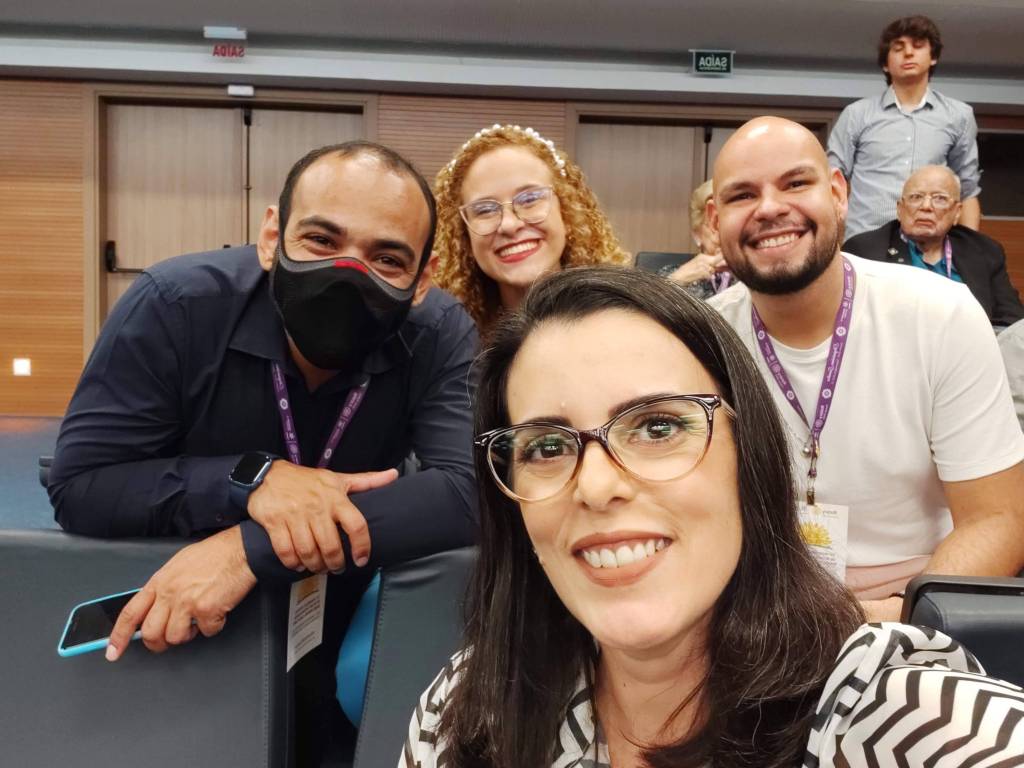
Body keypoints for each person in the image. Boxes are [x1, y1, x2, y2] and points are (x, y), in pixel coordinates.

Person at [401, 266, 1024, 768]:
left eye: (657, 427)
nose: (595, 486)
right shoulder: (462, 708)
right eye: (546, 447)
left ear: (748, 457)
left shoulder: (899, 712)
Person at [48, 141, 478, 762]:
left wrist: (250, 547)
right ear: (272, 237)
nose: (348, 273)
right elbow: (82, 483)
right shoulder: (176, 305)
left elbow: (468, 492)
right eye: (321, 240)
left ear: (422, 280)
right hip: (185, 615)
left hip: (334, 609)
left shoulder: (439, 332)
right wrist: (251, 479)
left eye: (387, 258)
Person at [707, 116, 1024, 622]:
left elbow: (997, 519)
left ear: (838, 193)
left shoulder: (941, 315)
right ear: (714, 217)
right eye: (742, 195)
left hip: (915, 603)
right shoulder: (700, 340)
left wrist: (886, 617)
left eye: (796, 183)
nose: (769, 208)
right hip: (758, 607)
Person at [432, 124, 629, 335]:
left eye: (529, 199)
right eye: (485, 210)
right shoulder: (447, 340)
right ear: (463, 235)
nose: (509, 225)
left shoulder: (625, 325)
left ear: (567, 210)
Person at [827, 15, 982, 239]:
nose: (908, 53)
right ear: (885, 64)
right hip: (864, 241)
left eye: (918, 46)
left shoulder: (959, 116)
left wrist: (968, 251)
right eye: (898, 48)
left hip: (931, 244)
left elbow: (967, 190)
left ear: (933, 57)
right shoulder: (857, 114)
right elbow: (830, 184)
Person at [844, 165, 1024, 328]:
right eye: (916, 197)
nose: (926, 206)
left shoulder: (985, 251)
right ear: (900, 209)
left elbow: (1012, 321)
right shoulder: (864, 251)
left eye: (940, 198)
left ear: (957, 212)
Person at [668, 179, 733, 298]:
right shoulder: (673, 274)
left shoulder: (756, 275)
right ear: (697, 235)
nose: (722, 233)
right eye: (713, 223)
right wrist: (677, 280)